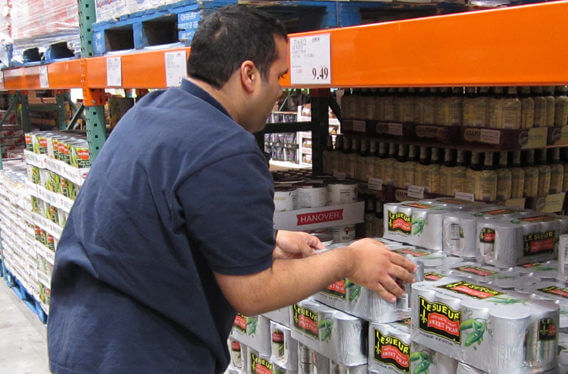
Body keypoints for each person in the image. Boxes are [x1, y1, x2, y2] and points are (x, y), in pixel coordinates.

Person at [47, 5, 417, 374]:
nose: (280, 90)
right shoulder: (225, 148)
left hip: (82, 339)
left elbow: (170, 213)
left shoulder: (153, 110)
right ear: (249, 75)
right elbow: (253, 293)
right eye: (279, 76)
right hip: (137, 356)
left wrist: (266, 239)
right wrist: (349, 260)